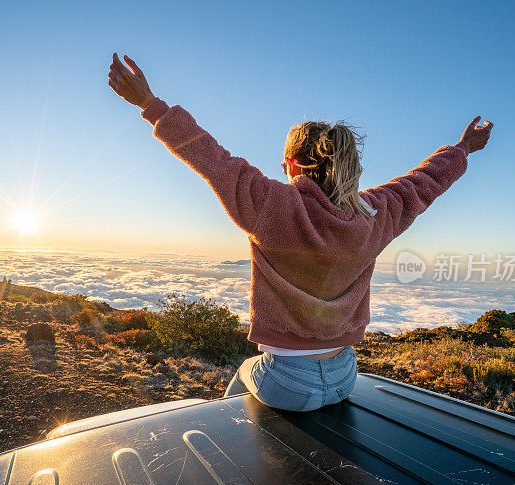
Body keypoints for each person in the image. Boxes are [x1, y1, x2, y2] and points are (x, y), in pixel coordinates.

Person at [107, 53, 493, 411]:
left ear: (291, 164)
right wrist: (462, 149)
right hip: (345, 377)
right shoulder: (377, 213)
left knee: (237, 387)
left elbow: (211, 157)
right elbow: (423, 182)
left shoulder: (271, 205)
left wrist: (149, 104)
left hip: (285, 382)